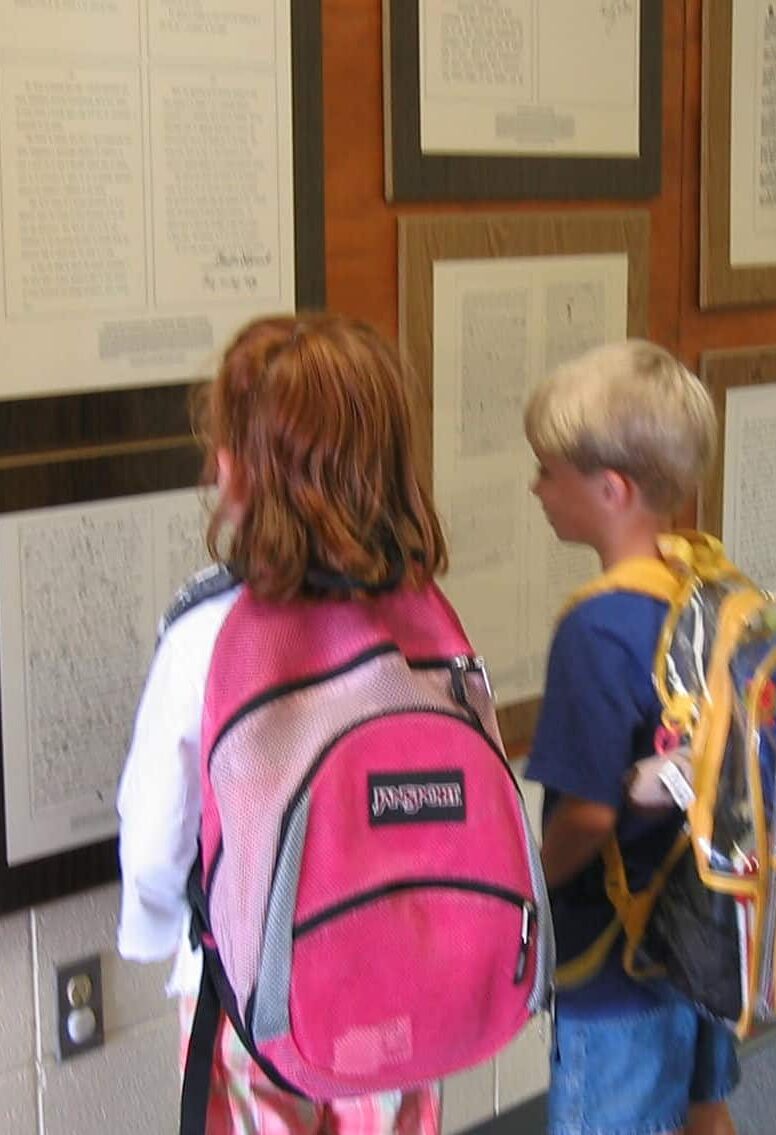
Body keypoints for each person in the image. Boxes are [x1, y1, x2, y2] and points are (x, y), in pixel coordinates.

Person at [117, 313, 444, 1134]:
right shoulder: (426, 615)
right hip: (402, 977)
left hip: (250, 993)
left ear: (239, 469)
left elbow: (156, 831)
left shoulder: (209, 634)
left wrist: (156, 929)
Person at [523, 340, 739, 1135]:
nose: (537, 487)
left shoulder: (595, 630)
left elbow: (585, 817)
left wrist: (523, 895)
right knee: (702, 1109)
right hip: (699, 929)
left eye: (549, 470)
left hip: (614, 966)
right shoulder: (705, 583)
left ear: (609, 489)